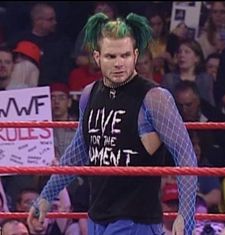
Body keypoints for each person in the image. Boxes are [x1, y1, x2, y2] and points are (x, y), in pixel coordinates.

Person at [27, 12, 197, 235]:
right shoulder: (89, 94)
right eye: (111, 56)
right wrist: (46, 197)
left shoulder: (154, 98)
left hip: (136, 220)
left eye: (125, 55)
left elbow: (185, 155)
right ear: (97, 58)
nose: (119, 63)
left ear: (135, 55)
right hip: (98, 215)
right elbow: (79, 151)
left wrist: (186, 214)